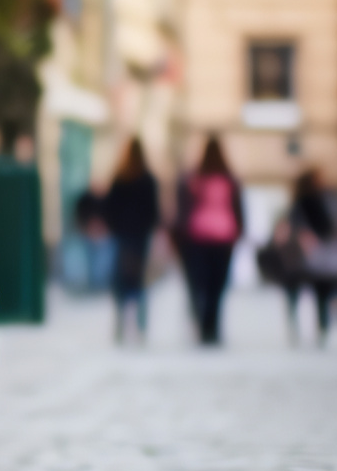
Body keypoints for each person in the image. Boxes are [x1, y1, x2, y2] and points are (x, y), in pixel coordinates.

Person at [177, 135, 244, 346]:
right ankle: (212, 328)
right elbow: (239, 210)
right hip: (223, 238)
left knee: (201, 285)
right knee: (217, 286)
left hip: (197, 237)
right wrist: (240, 232)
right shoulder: (230, 180)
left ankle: (203, 325)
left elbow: (183, 210)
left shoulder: (194, 178)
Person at [102, 138, 161, 343]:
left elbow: (109, 208)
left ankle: (119, 326)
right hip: (140, 237)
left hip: (121, 236)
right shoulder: (149, 180)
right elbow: (154, 212)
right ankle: (140, 328)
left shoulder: (120, 178)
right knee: (139, 281)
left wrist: (115, 227)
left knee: (120, 281)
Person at [285, 168, 337, 346]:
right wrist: (303, 237)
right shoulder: (302, 203)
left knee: (323, 293)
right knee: (297, 292)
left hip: (325, 255)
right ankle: (296, 325)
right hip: (304, 255)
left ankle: (323, 327)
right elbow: (295, 224)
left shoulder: (331, 199)